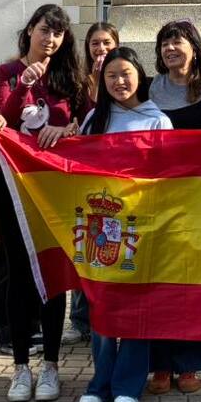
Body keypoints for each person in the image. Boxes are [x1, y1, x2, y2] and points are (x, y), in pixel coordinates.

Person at [0, 4, 85, 402]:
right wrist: (25, 84)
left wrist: (66, 128)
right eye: (45, 30)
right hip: (10, 184)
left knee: (52, 267)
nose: (51, 39)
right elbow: (4, 120)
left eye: (58, 34)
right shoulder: (6, 73)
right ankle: (20, 366)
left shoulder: (69, 77)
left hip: (54, 188)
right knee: (17, 271)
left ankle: (50, 364)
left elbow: (83, 125)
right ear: (30, 30)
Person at [78, 46, 173, 402]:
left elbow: (168, 177)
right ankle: (100, 382)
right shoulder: (93, 121)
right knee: (101, 308)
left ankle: (129, 385)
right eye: (111, 76)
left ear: (140, 76)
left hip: (141, 226)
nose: (119, 82)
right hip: (100, 225)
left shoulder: (157, 121)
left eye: (126, 74)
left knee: (136, 308)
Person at [147, 19, 201, 394]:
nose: (170, 49)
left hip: (199, 196)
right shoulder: (148, 90)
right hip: (157, 197)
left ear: (194, 46)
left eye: (177, 42)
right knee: (158, 282)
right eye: (164, 45)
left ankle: (190, 364)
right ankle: (159, 365)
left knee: (192, 282)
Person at [65, 22, 120, 345]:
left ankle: (108, 315)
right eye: (95, 44)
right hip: (85, 178)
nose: (101, 49)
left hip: (115, 180)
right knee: (84, 246)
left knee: (113, 245)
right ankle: (80, 318)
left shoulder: (124, 79)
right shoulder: (78, 84)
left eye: (106, 43)